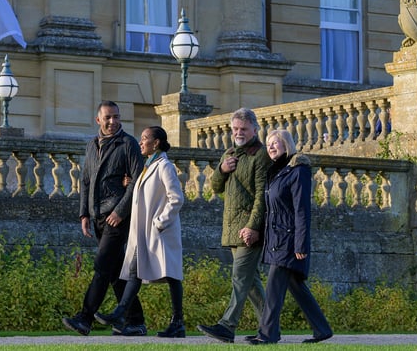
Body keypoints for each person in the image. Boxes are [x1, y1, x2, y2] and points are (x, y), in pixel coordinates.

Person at [62, 100, 147, 336]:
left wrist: (120, 211)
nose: (113, 122)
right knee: (115, 270)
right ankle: (134, 321)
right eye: (108, 117)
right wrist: (84, 214)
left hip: (117, 216)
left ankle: (85, 318)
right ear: (98, 120)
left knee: (101, 267)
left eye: (116, 117)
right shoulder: (91, 145)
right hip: (97, 215)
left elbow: (137, 182)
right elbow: (86, 180)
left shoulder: (128, 144)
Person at [93, 126, 186, 338]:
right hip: (143, 233)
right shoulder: (148, 166)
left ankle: (177, 322)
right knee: (135, 272)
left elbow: (177, 198)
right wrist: (131, 185)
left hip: (159, 232)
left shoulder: (164, 166)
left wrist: (160, 222)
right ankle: (121, 313)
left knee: (171, 276)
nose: (141, 142)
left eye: (145, 139)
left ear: (156, 143)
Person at [247, 129, 333, 345]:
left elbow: (302, 210)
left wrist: (300, 243)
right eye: (268, 144)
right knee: (296, 285)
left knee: (274, 287)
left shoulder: (298, 170)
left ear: (287, 145)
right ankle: (322, 329)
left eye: (276, 143)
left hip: (289, 240)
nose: (271, 147)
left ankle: (268, 335)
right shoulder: (275, 171)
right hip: (276, 239)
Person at [196, 107, 272, 343]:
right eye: (235, 129)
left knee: (240, 277)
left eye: (243, 129)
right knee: (250, 284)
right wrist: (221, 169)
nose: (239, 133)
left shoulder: (260, 155)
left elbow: (262, 195)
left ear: (255, 129)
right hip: (231, 226)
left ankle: (227, 326)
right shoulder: (229, 153)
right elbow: (216, 188)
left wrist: (253, 226)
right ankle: (270, 328)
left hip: (249, 228)